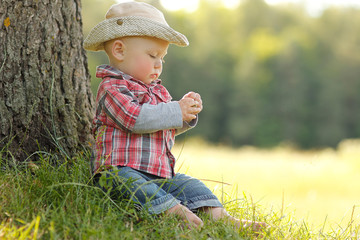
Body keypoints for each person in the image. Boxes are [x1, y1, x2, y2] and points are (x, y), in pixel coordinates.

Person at [84, 1, 266, 233]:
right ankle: (175, 214)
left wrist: (184, 116)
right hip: (118, 169)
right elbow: (135, 119)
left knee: (190, 185)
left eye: (163, 57)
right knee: (130, 185)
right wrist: (174, 110)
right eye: (152, 55)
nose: (159, 65)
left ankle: (222, 218)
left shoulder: (157, 91)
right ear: (119, 50)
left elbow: (160, 125)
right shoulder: (112, 88)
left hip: (157, 172)